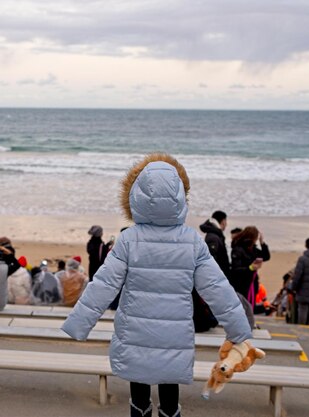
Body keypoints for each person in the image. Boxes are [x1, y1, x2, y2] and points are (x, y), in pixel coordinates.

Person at [61, 153, 252, 417]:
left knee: (138, 390)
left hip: (135, 332)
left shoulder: (129, 240)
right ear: (179, 197)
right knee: (169, 391)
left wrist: (79, 323)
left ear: (136, 197)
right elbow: (217, 288)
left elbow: (103, 284)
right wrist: (239, 331)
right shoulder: (192, 241)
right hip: (174, 335)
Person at [230, 226, 270, 308]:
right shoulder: (238, 249)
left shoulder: (253, 249)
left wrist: (262, 243)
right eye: (256, 238)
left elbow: (266, 256)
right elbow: (235, 270)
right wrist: (250, 268)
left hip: (252, 283)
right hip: (241, 285)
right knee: (243, 308)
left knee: (249, 308)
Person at [199, 211, 230, 277]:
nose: (226, 224)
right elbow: (212, 261)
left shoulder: (215, 235)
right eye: (226, 221)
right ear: (223, 221)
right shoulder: (213, 237)